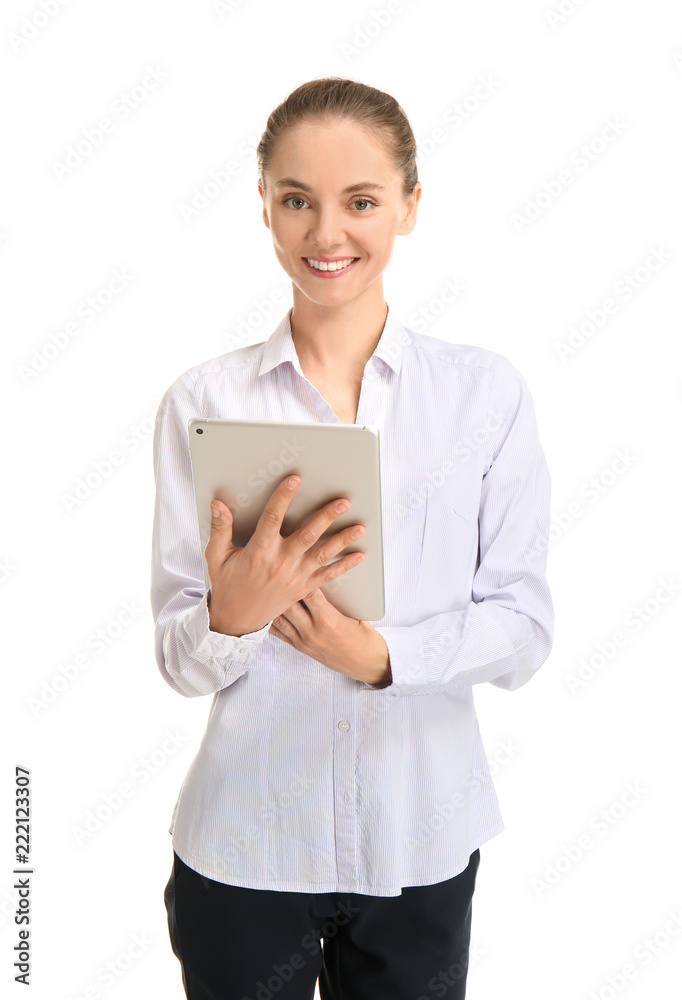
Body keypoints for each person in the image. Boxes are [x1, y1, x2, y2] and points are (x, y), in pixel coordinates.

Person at [151, 76, 554, 1000]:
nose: (326, 234)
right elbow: (177, 658)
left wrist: (378, 654)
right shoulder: (204, 403)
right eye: (297, 200)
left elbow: (524, 629)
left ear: (411, 206)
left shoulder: (483, 397)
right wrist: (233, 618)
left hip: (421, 839)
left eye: (361, 201)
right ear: (265, 208)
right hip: (243, 847)